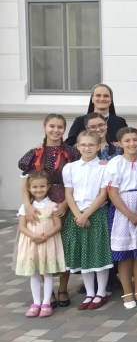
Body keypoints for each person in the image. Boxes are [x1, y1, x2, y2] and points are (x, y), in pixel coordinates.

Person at [18, 113, 79, 307]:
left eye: (60, 127)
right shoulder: (34, 153)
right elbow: (25, 183)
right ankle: (48, 291)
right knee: (43, 247)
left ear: (64, 129)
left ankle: (63, 289)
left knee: (64, 246)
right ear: (44, 127)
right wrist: (27, 205)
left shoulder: (71, 152)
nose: (55, 130)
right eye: (52, 126)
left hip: (64, 202)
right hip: (39, 205)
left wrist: (66, 204)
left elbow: (76, 182)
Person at [62, 130, 112, 311]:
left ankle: (101, 292)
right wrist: (78, 215)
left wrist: (87, 214)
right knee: (84, 253)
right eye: (83, 145)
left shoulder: (105, 168)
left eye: (91, 145)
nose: (87, 148)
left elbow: (103, 194)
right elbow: (69, 194)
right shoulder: (70, 168)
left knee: (99, 253)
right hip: (76, 214)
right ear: (77, 146)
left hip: (96, 213)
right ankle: (90, 293)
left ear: (98, 146)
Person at [104, 127, 137, 309]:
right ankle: (127, 291)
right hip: (123, 209)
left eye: (135, 140)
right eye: (127, 141)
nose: (132, 144)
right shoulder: (115, 163)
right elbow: (112, 193)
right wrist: (129, 214)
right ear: (120, 144)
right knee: (125, 254)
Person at [15, 171, 65, 318]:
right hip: (32, 244)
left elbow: (57, 226)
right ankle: (36, 303)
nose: (39, 190)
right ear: (29, 188)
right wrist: (34, 236)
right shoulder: (26, 207)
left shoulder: (52, 205)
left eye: (42, 186)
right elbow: (22, 226)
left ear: (48, 186)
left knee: (47, 273)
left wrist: (45, 236)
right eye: (35, 187)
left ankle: (46, 303)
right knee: (35, 273)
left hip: (47, 243)